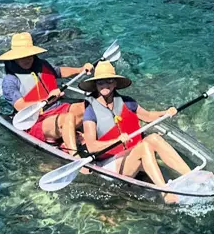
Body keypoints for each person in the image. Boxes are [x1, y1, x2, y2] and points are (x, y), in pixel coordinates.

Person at [78, 61, 191, 190]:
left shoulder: (127, 102)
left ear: (115, 83)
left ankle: (191, 176)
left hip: (130, 153)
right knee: (143, 147)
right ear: (95, 85)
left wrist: (166, 112)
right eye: (100, 82)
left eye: (109, 81)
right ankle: (165, 192)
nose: (104, 85)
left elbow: (147, 116)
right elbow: (92, 146)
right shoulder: (90, 111)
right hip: (109, 164)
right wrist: (117, 140)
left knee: (154, 137)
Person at [0, 32, 90, 152]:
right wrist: (46, 100)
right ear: (14, 58)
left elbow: (59, 71)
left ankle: (86, 138)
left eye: (29, 55)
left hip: (57, 108)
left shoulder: (41, 65)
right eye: (22, 56)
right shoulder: (10, 81)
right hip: (35, 121)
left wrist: (80, 69)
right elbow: (20, 106)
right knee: (68, 118)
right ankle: (73, 154)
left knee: (88, 107)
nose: (27, 59)